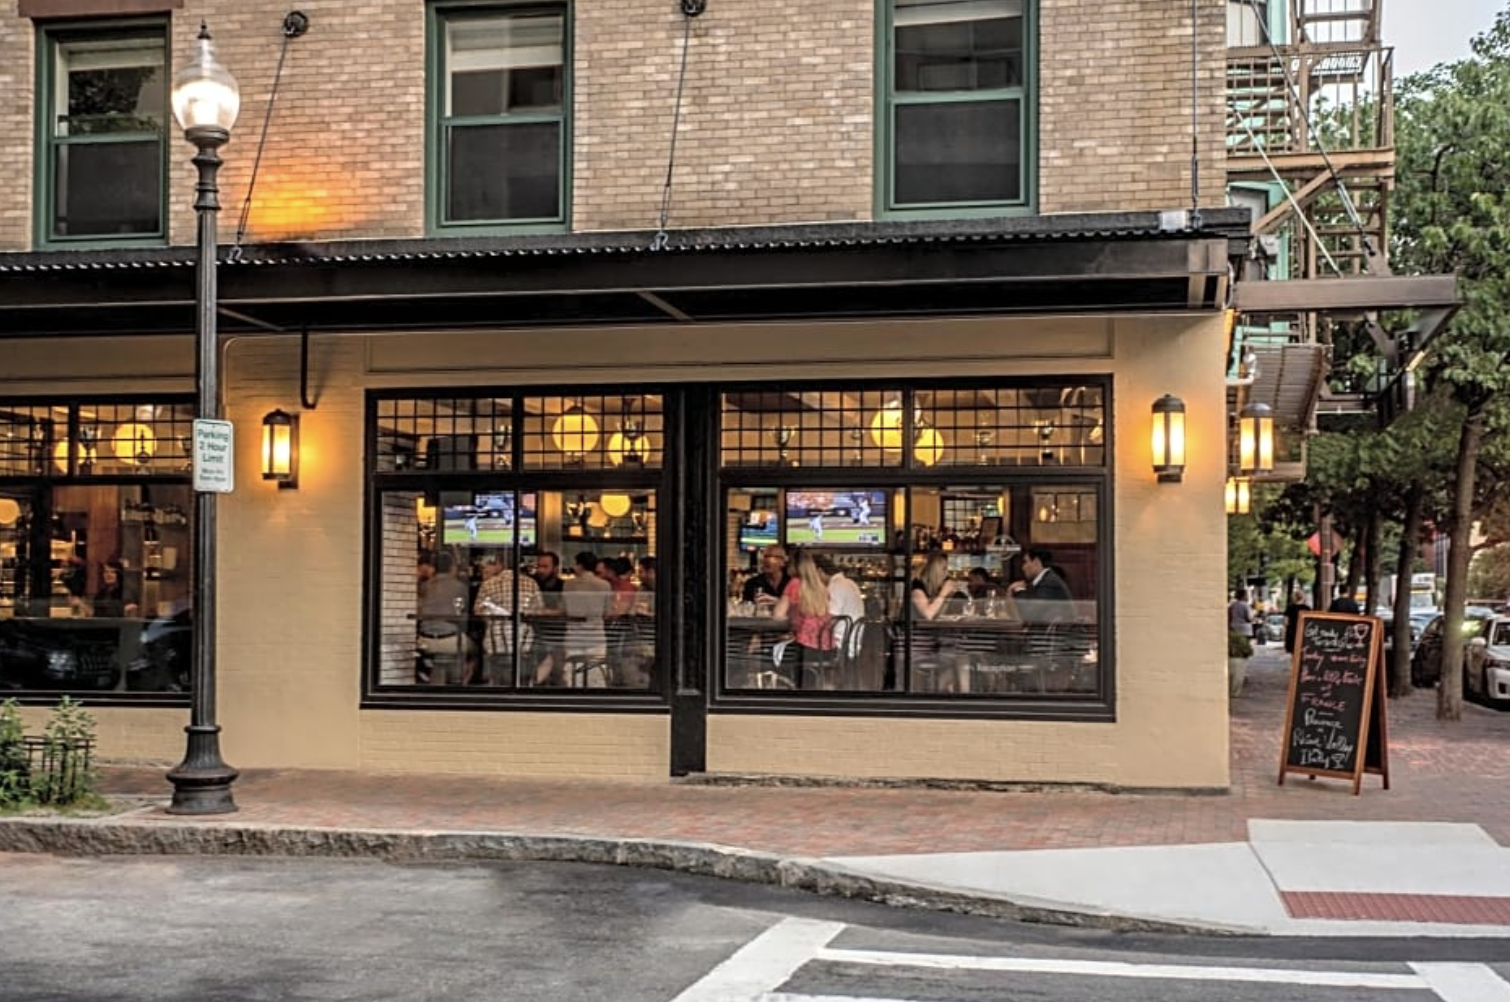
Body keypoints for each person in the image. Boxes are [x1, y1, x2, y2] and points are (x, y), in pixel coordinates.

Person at [473, 553, 539, 685]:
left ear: (500, 564)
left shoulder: (488, 584)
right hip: (523, 641)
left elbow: (478, 611)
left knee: (497, 680)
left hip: (495, 642)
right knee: (522, 678)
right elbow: (538, 610)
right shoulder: (531, 583)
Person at [772, 548, 835, 686]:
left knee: (768, 652)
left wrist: (788, 613)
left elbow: (778, 615)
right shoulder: (820, 586)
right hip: (828, 649)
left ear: (793, 566)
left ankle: (780, 690)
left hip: (806, 650)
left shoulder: (794, 583)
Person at [416, 551, 474, 684]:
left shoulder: (425, 586)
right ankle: (461, 684)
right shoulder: (460, 587)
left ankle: (439, 680)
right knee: (476, 650)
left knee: (441, 659)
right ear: (452, 567)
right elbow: (464, 611)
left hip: (425, 639)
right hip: (450, 640)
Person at [559, 551, 613, 687]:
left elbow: (563, 610)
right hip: (596, 636)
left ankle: (575, 695)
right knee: (596, 672)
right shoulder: (604, 585)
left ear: (580, 565)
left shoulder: (568, 585)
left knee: (573, 673)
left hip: (574, 636)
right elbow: (608, 613)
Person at [1009, 548, 1073, 622]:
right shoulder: (1047, 579)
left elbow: (1029, 615)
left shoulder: (1049, 582)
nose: (1023, 567)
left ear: (1036, 562)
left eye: (1025, 562)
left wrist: (1019, 588)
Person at [1282, 588, 1310, 655]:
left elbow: (1285, 622)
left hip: (1292, 633)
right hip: (1303, 633)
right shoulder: (1307, 609)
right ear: (1303, 597)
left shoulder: (1290, 608)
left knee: (1293, 653)